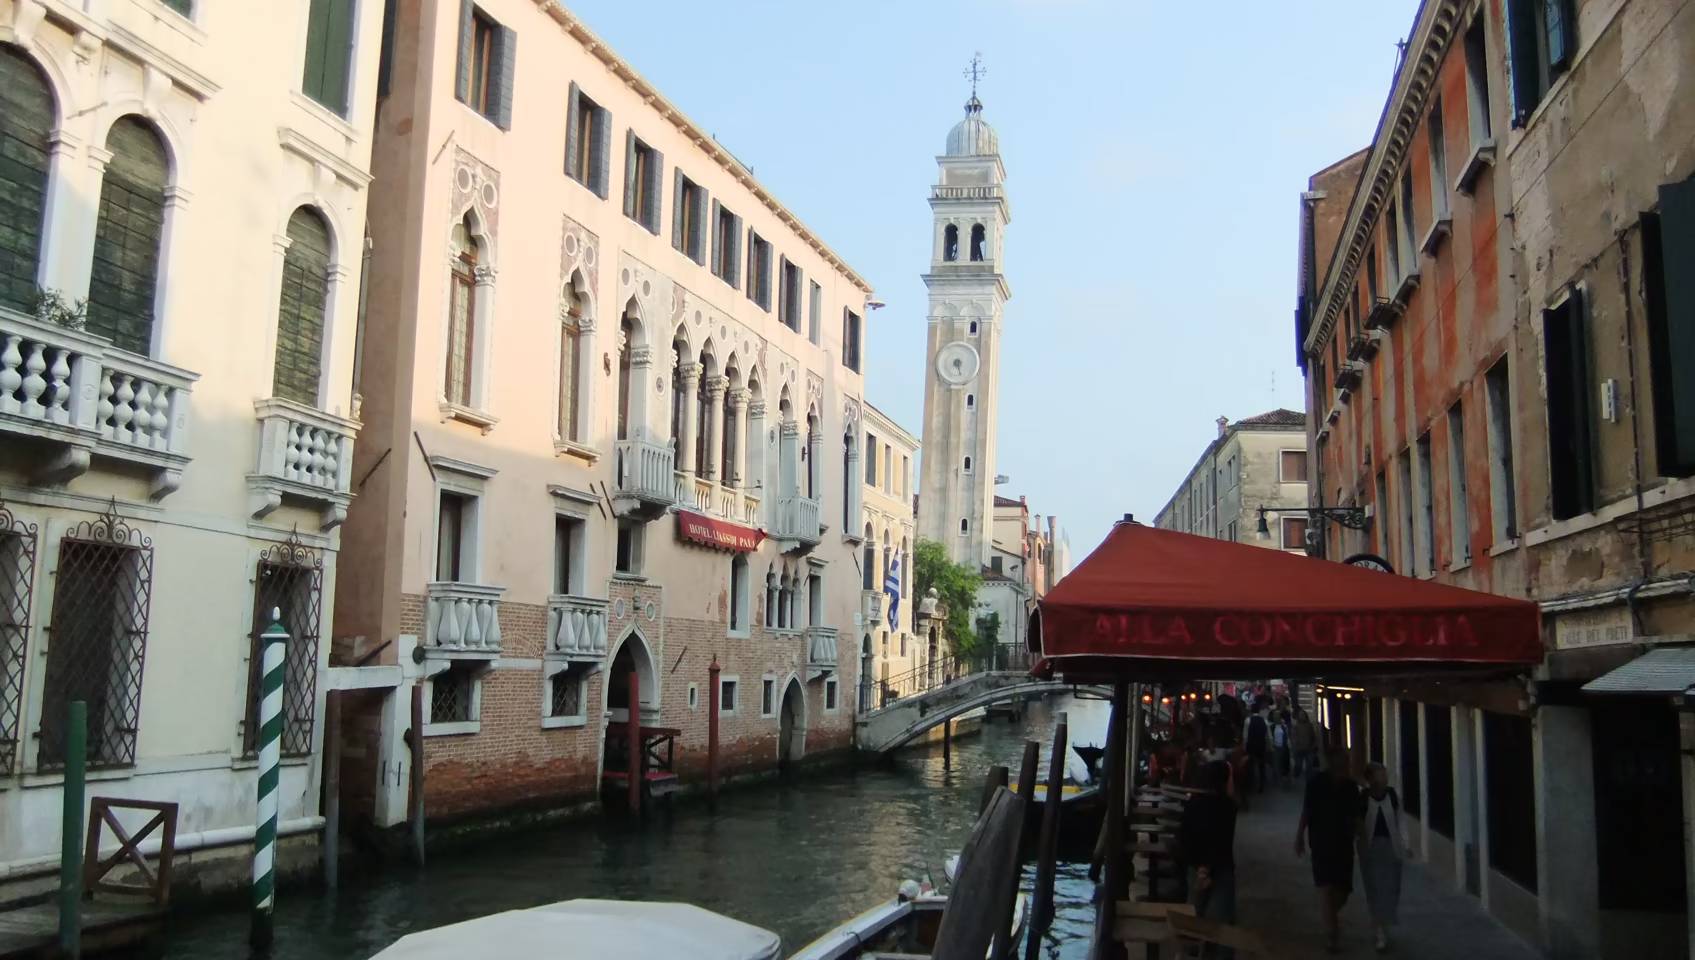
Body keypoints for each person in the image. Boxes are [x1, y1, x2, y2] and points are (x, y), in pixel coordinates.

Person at [1296, 747, 1360, 953]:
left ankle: (1329, 917)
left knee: (1343, 891)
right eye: (1344, 761)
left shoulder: (1351, 787)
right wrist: (1299, 836)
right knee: (1325, 887)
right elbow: (1307, 810)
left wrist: (1362, 838)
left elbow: (1356, 816)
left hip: (1343, 844)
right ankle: (1331, 935)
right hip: (1321, 842)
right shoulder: (1316, 782)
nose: (1347, 764)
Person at [1178, 760, 1238, 957]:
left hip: (1198, 867)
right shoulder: (1228, 807)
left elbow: (1185, 840)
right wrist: (1206, 868)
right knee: (1220, 923)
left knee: (1194, 918)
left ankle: (1194, 952)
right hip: (1218, 868)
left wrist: (1201, 868)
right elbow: (1220, 841)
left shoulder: (1193, 804)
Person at [1358, 762, 1410, 953]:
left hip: (1391, 847)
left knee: (1391, 887)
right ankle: (1379, 928)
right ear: (1371, 778)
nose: (1385, 777)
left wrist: (1405, 844)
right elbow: (1359, 824)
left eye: (1384, 773)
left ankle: (1384, 922)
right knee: (1375, 888)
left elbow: (1400, 820)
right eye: (1381, 774)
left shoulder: (1393, 795)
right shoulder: (1363, 798)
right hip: (1370, 849)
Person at [1243, 704, 1270, 794]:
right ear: (1259, 711)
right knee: (1261, 766)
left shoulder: (1248, 720)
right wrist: (1269, 746)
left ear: (1251, 711)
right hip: (1261, 745)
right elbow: (1268, 735)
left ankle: (1251, 784)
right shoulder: (1264, 721)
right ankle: (1261, 784)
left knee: (1250, 765)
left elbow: (1245, 736)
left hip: (1251, 746)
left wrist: (1244, 746)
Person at [1291, 707, 1319, 780]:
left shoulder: (1309, 725)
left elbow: (1313, 736)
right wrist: (1295, 746)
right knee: (1298, 765)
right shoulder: (1296, 726)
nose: (1302, 716)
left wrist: (1314, 745)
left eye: (1303, 715)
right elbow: (1294, 737)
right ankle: (1296, 777)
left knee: (1309, 766)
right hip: (1299, 749)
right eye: (1301, 715)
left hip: (1309, 748)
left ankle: (1309, 779)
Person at [1271, 711, 1292, 787]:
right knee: (1276, 764)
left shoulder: (1284, 726)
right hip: (1275, 747)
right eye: (1274, 716)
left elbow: (1287, 736)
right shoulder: (1272, 726)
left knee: (1284, 763)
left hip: (1283, 747)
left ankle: (1284, 778)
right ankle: (1277, 780)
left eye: (1277, 716)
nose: (1275, 717)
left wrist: (1288, 745)